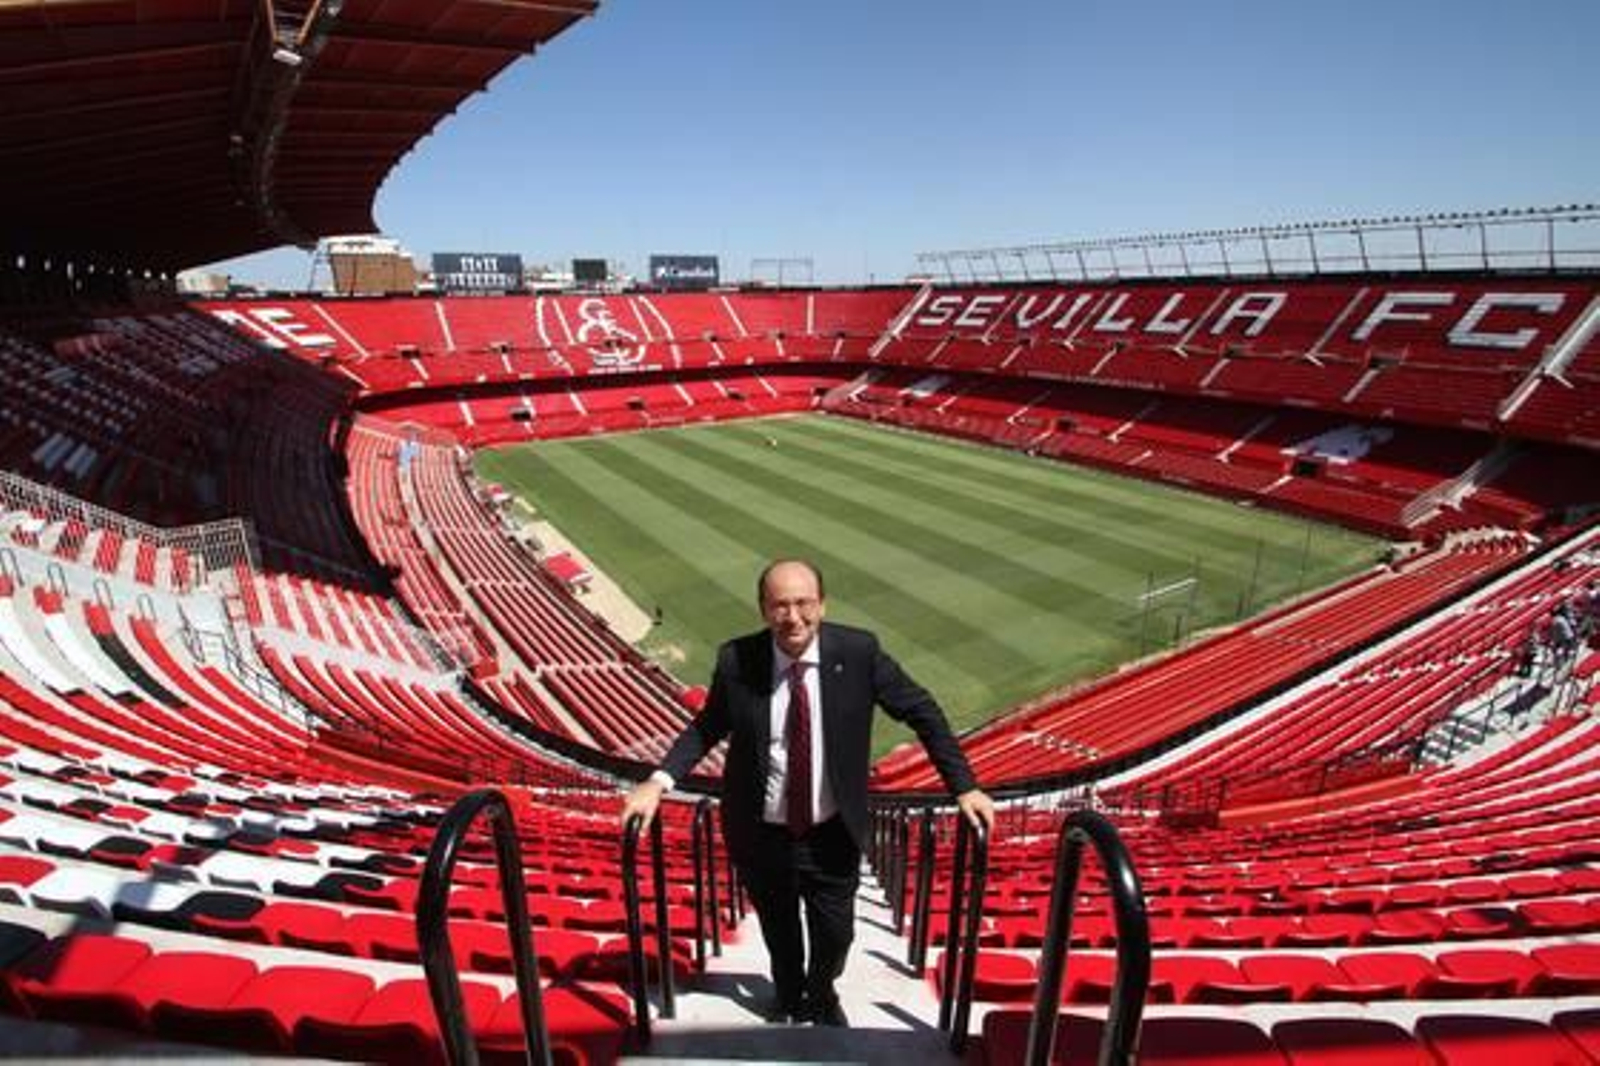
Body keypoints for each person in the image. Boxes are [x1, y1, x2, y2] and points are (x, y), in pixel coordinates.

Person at [620, 558, 994, 1027]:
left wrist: (965, 786)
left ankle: (821, 992)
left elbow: (922, 711)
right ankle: (789, 996)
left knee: (836, 934)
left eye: (803, 603)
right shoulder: (737, 659)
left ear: (822, 604)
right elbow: (707, 725)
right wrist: (659, 781)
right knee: (779, 931)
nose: (792, 617)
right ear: (763, 609)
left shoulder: (859, 652)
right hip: (761, 833)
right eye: (780, 605)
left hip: (831, 831)